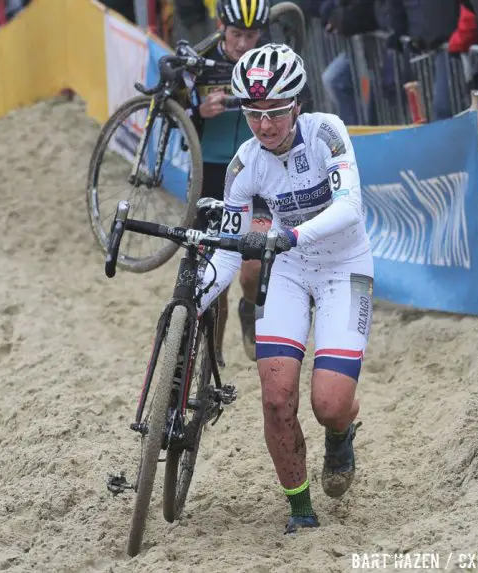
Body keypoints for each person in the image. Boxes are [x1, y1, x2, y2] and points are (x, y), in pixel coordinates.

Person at [198, 43, 374, 534]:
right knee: (277, 399)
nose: (265, 125)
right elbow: (231, 251)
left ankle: (340, 434)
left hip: (345, 267)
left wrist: (289, 234)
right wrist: (197, 298)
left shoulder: (327, 133)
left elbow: (349, 207)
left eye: (275, 112)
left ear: (296, 105)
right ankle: (300, 509)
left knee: (329, 405)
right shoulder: (243, 162)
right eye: (254, 113)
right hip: (292, 270)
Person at [189, 0, 274, 366]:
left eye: (251, 35)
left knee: (252, 268)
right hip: (212, 173)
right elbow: (171, 119)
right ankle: (214, 357)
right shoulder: (199, 61)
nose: (242, 43)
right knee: (212, 276)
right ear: (221, 26)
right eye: (236, 34)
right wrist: (197, 112)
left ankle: (249, 306)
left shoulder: (272, 61)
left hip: (259, 173)